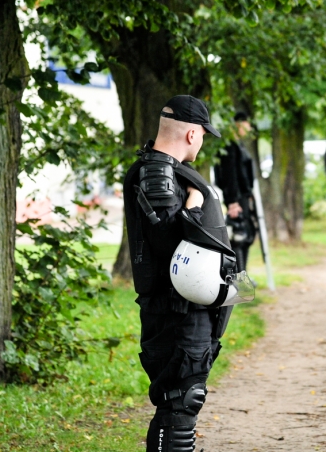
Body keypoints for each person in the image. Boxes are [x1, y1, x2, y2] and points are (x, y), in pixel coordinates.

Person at [123, 95, 229, 452]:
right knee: (182, 399)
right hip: (176, 312)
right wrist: (196, 207)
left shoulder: (164, 169)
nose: (202, 142)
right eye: (203, 135)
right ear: (191, 134)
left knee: (180, 400)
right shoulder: (157, 171)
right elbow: (167, 238)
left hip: (183, 310)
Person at [214, 111, 256, 272]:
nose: (249, 128)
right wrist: (232, 202)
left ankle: (242, 275)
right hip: (236, 199)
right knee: (239, 238)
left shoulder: (238, 144)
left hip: (243, 197)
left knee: (246, 236)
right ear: (238, 124)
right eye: (247, 124)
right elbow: (229, 176)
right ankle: (239, 279)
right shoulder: (229, 145)